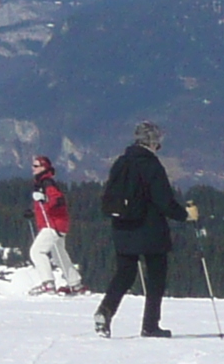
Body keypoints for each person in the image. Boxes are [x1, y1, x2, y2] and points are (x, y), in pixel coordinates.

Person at [93, 120, 194, 338]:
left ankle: (105, 311)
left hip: (122, 226)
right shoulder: (151, 165)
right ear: (154, 142)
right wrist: (185, 215)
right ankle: (150, 325)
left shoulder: (121, 162)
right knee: (156, 277)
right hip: (150, 229)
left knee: (124, 273)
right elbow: (164, 200)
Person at [26, 155, 78, 293]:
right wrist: (33, 211)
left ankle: (48, 283)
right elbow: (49, 203)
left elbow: (57, 200)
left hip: (53, 224)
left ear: (43, 168)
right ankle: (75, 283)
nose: (33, 168)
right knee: (58, 253)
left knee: (37, 251)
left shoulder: (46, 183)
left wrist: (44, 200)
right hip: (59, 223)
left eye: (36, 166)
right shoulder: (44, 182)